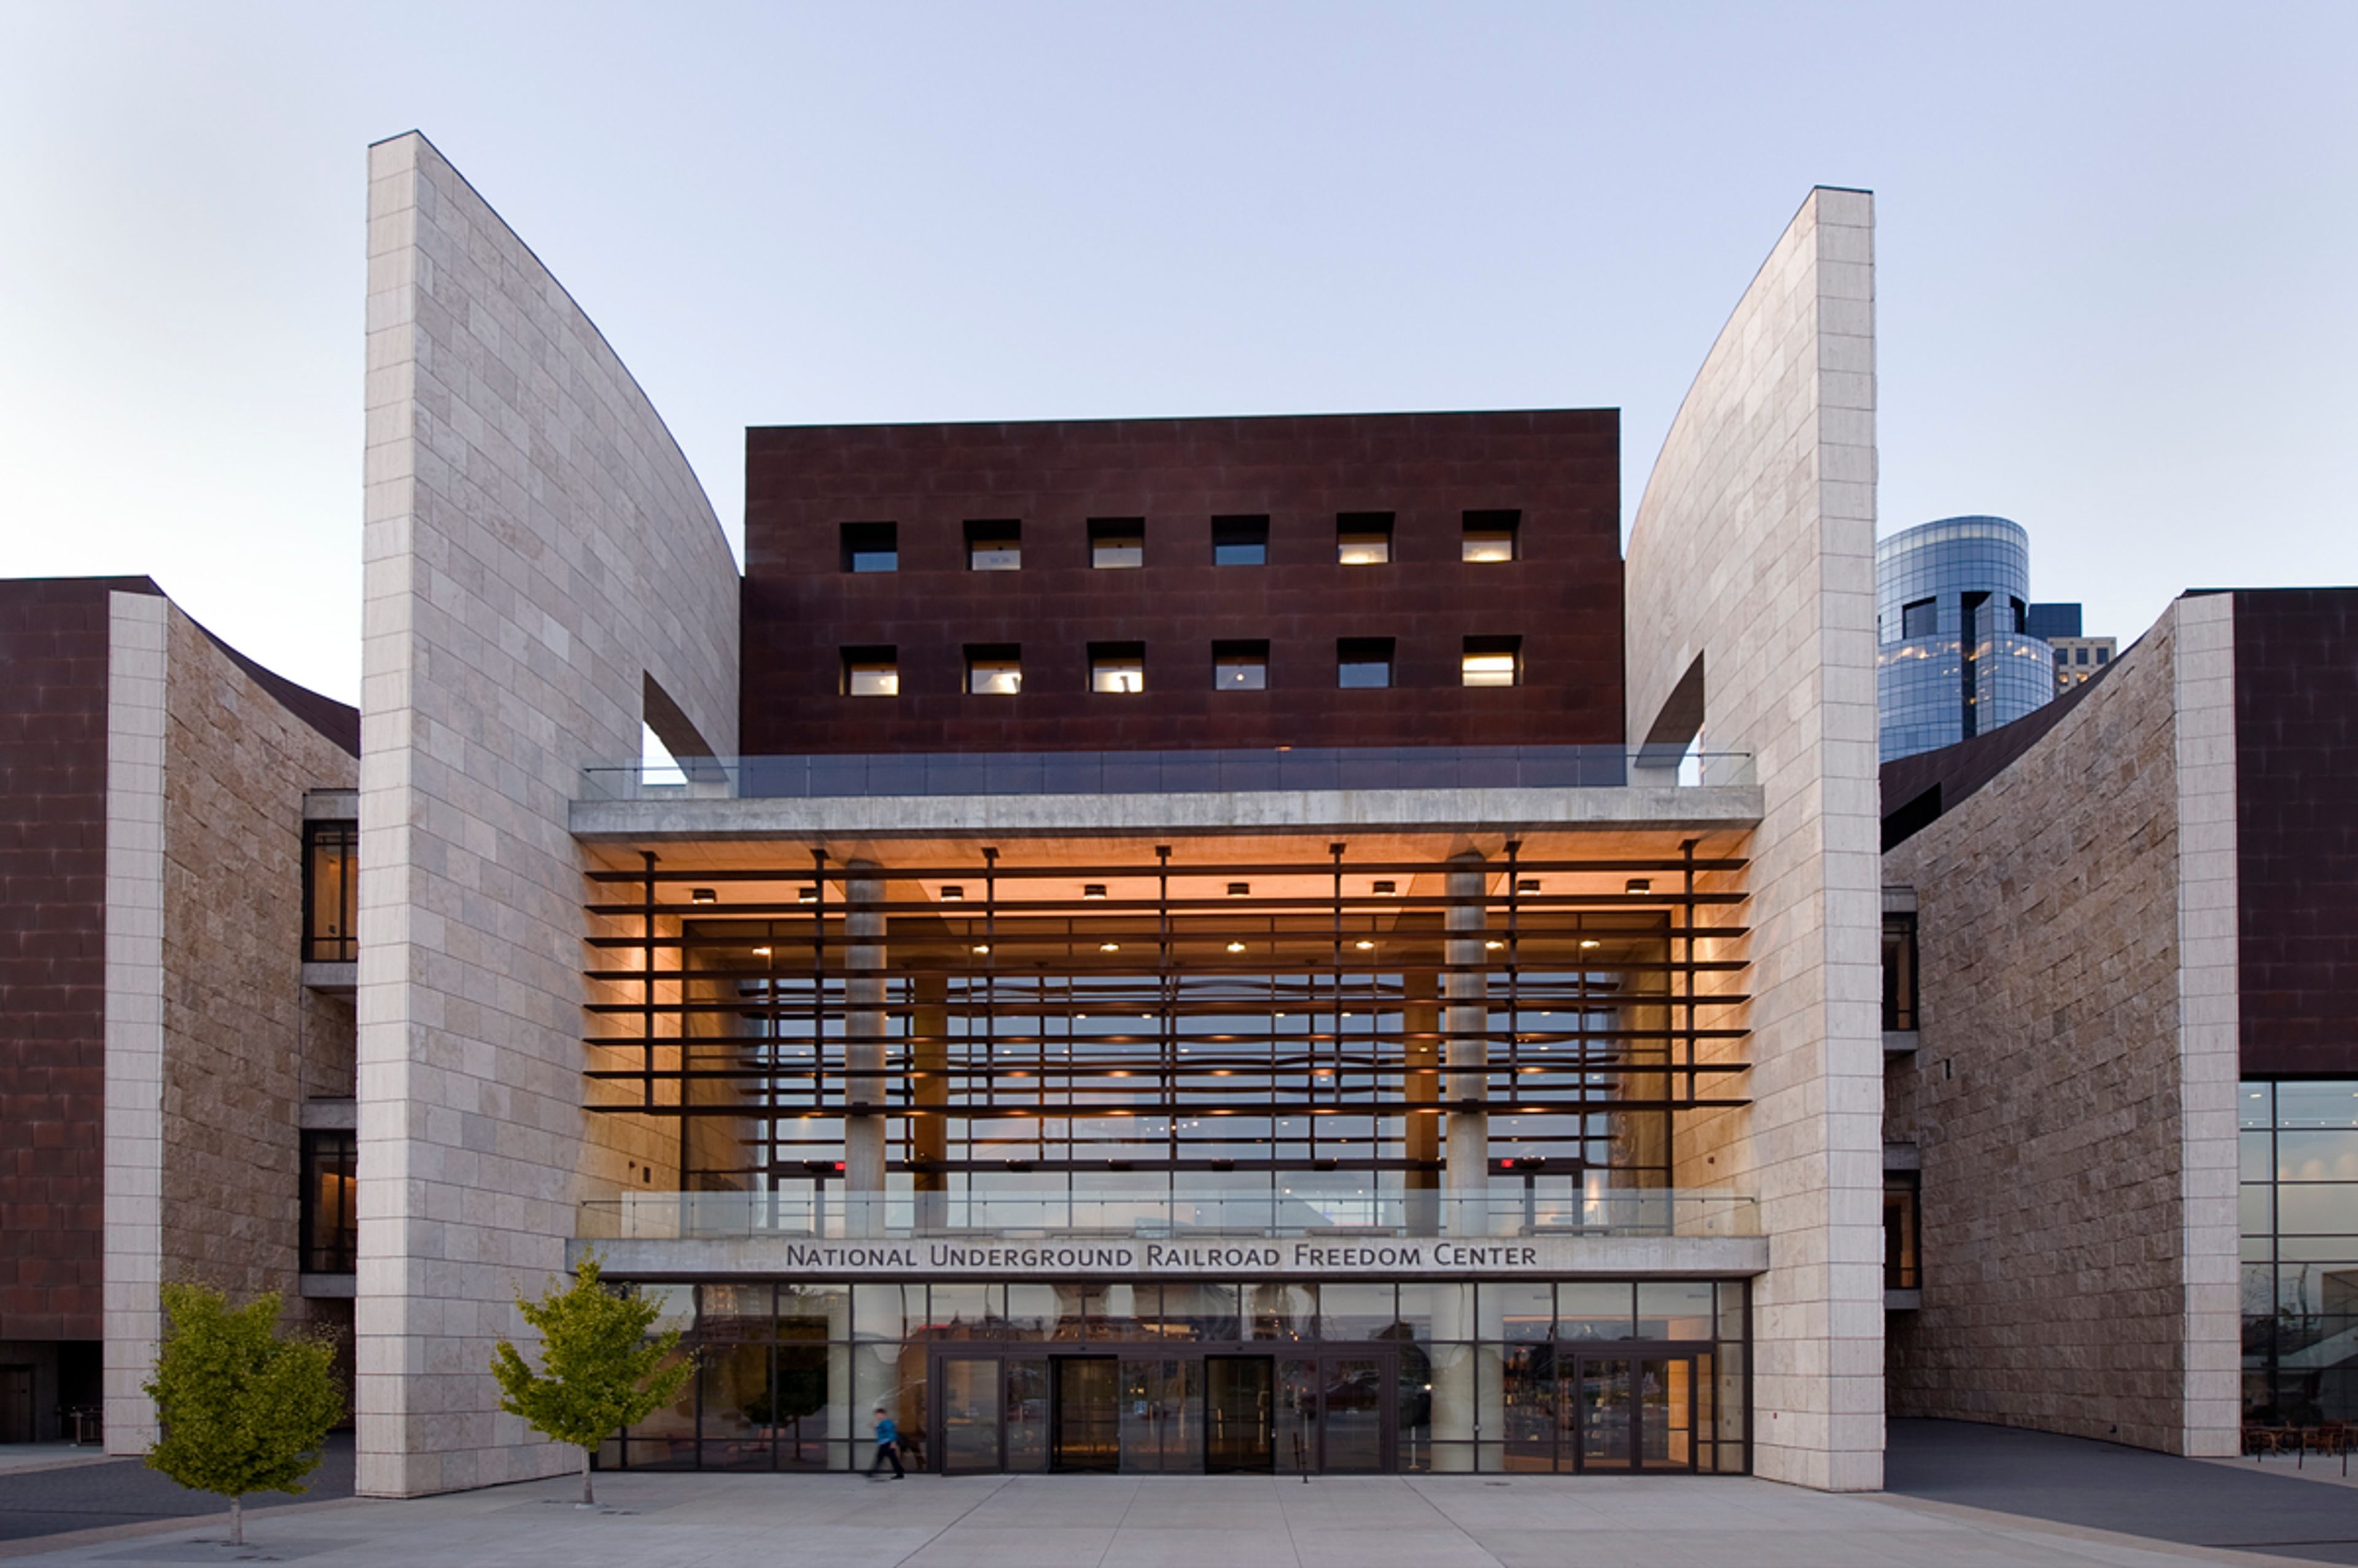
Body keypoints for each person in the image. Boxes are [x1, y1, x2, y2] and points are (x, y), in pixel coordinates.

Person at [867, 1405, 905, 1480]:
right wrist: (875, 1427)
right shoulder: (883, 1423)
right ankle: (871, 1473)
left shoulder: (887, 1423)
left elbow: (891, 1433)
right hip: (884, 1443)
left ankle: (900, 1473)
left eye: (878, 1415)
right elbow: (882, 1432)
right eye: (876, 1415)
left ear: (883, 1415)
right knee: (882, 1458)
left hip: (887, 1444)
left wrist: (893, 1442)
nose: (877, 1417)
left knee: (892, 1459)